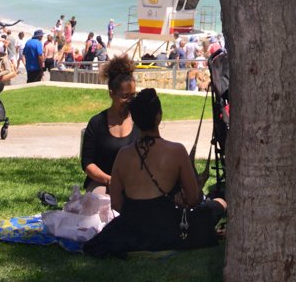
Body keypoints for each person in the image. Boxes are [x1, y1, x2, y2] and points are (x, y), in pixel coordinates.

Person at [84, 88, 223, 258]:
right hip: (167, 226)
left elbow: (117, 204)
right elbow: (194, 198)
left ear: (134, 118)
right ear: (159, 116)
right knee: (219, 204)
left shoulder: (123, 155)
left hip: (132, 227)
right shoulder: (176, 151)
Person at [80, 53, 139, 191]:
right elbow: (87, 163)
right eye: (125, 96)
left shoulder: (139, 120)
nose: (130, 101)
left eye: (133, 95)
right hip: (102, 183)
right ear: (111, 93)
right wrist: (109, 180)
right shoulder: (97, 123)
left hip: (134, 184)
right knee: (101, 202)